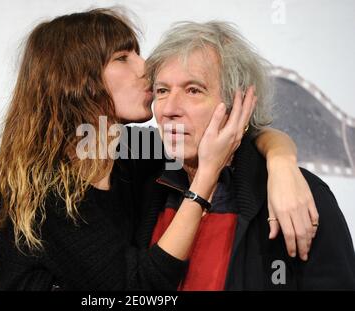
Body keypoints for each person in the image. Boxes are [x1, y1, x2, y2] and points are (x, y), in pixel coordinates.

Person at [0, 9, 318, 291]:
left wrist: (283, 162)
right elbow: (138, 289)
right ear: (77, 82)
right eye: (122, 57)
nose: (144, 68)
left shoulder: (128, 154)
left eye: (136, 52)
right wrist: (206, 177)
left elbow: (235, 135)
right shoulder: (47, 191)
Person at [145, 20, 355, 290]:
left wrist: (281, 161)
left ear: (238, 105)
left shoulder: (298, 196)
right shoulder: (140, 180)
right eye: (162, 91)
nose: (169, 109)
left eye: (193, 90)